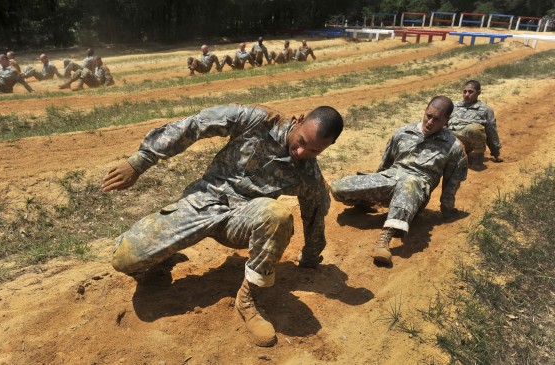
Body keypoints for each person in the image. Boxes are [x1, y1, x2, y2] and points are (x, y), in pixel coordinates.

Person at [103, 104, 343, 347]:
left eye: (314, 150)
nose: (301, 152)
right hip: (203, 201)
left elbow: (315, 216)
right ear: (299, 119)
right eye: (301, 141)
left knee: (277, 214)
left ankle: (248, 299)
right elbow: (196, 125)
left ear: (326, 148)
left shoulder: (308, 174)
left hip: (241, 220)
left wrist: (311, 256)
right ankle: (163, 259)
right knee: (124, 259)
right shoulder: (258, 120)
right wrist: (140, 161)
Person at [330, 96, 467, 266]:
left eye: (436, 119)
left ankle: (384, 241)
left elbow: (451, 183)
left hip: (416, 189)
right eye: (428, 115)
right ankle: (366, 203)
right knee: (338, 187)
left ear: (447, 120)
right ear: (425, 111)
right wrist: (371, 190)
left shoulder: (453, 146)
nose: (430, 122)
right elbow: (385, 164)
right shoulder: (403, 133)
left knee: (409, 181)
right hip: (391, 178)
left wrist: (447, 209)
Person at [448, 80, 502, 168]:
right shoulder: (453, 106)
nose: (466, 94)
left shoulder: (486, 110)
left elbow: (491, 131)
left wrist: (496, 152)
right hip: (452, 140)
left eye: (470, 92)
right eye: (465, 91)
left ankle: (477, 157)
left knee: (474, 129)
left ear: (478, 93)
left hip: (469, 141)